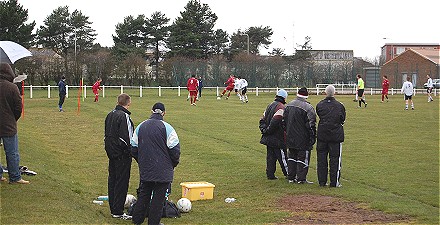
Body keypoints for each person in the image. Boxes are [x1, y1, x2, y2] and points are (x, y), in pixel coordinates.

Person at [130, 102, 180, 225]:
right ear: (164, 113)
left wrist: (142, 161)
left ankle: (137, 220)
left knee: (144, 194)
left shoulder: (141, 126)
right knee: (158, 198)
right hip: (163, 170)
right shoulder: (167, 128)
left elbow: (133, 148)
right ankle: (153, 222)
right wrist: (172, 164)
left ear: (151, 111)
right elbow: (175, 150)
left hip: (146, 168)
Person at [104, 93, 134, 219]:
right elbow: (128, 138)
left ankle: (113, 208)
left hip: (111, 153)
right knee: (121, 182)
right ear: (128, 103)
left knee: (113, 180)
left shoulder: (110, 114)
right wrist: (130, 152)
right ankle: (118, 211)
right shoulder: (124, 116)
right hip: (122, 155)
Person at [0, 63, 29, 184]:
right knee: (12, 153)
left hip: (7, 123)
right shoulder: (12, 87)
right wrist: (13, 119)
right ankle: (15, 177)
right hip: (8, 125)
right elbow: (18, 107)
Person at [283, 87, 316, 184]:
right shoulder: (308, 108)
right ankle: (301, 179)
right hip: (303, 138)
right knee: (303, 158)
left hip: (290, 137)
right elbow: (311, 125)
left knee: (292, 157)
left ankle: (291, 177)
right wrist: (313, 137)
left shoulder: (289, 105)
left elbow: (283, 122)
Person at [316, 85, 346, 187]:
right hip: (335, 136)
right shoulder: (340, 106)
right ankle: (334, 182)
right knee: (335, 159)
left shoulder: (320, 105)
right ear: (334, 93)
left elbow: (320, 115)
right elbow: (342, 119)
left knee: (321, 159)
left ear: (325, 93)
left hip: (322, 135)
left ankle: (322, 181)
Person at [259, 89, 289, 180]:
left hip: (268, 137)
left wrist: (264, 130)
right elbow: (275, 121)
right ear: (284, 98)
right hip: (277, 137)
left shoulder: (269, 106)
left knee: (270, 157)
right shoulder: (281, 107)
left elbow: (262, 120)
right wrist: (268, 130)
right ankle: (288, 174)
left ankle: (270, 174)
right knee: (283, 157)